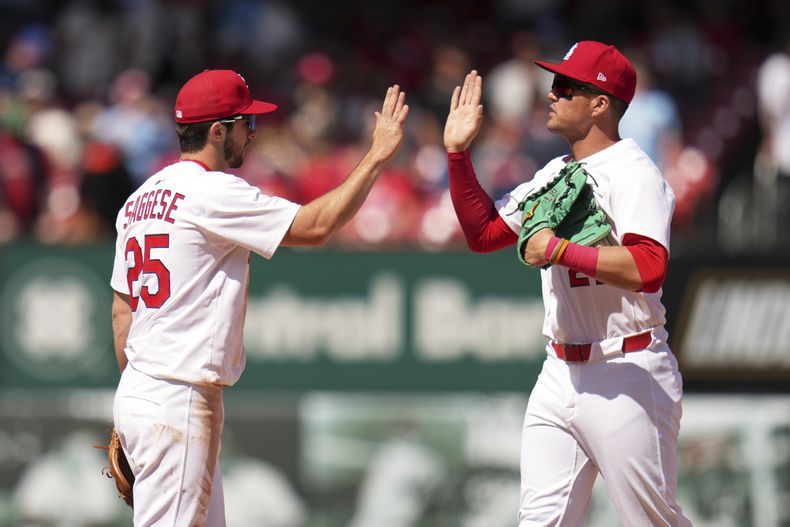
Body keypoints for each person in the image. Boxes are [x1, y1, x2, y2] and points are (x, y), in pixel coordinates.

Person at [110, 69, 408, 526]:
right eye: (244, 123)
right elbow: (315, 227)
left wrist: (137, 403)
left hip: (142, 388)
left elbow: (121, 311)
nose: (253, 133)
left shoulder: (138, 200)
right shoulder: (211, 191)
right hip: (177, 393)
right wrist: (375, 157)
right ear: (216, 131)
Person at [443, 42, 691, 526]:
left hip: (628, 368)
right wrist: (457, 154)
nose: (551, 94)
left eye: (565, 86)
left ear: (600, 103)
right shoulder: (555, 173)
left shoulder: (635, 173)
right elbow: (485, 234)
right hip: (558, 372)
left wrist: (559, 249)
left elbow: (649, 266)